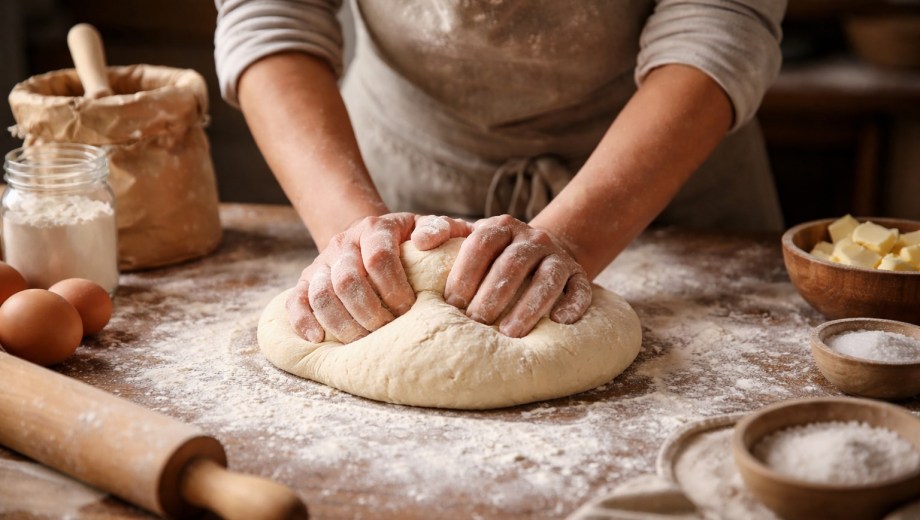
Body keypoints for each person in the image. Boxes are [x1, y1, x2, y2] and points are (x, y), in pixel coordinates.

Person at [214, 0, 786, 343]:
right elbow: (271, 12)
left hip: (662, 174)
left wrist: (572, 239)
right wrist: (355, 240)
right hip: (399, 172)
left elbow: (720, 21)